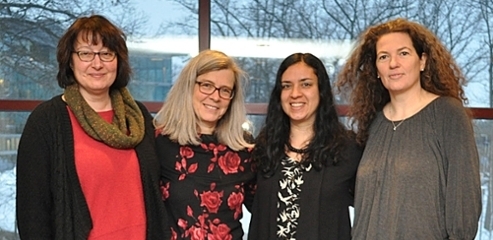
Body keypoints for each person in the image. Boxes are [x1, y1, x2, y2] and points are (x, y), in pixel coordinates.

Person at [16, 15, 166, 239]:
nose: (97, 64)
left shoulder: (138, 117)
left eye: (106, 53)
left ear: (118, 60)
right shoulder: (47, 121)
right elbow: (32, 215)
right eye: (86, 53)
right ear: (70, 61)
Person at [336, 18, 481, 239]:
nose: (393, 63)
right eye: (384, 57)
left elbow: (464, 208)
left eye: (403, 53)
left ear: (422, 61)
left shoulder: (448, 115)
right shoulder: (373, 124)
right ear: (376, 69)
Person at [248, 53, 362, 240]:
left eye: (306, 84)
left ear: (321, 91)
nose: (295, 93)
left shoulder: (347, 149)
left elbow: (368, 208)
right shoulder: (264, 147)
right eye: (286, 86)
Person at [154, 49, 255, 240]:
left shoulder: (244, 147)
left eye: (225, 90)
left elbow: (264, 211)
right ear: (188, 87)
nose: (215, 97)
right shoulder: (160, 141)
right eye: (207, 85)